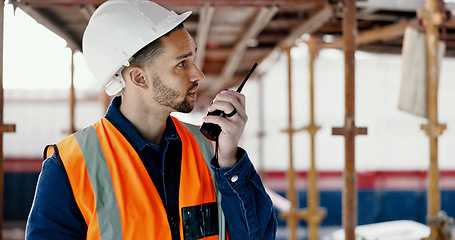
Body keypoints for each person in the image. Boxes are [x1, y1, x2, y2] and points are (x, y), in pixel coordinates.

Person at [25, 0, 277, 239]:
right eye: (182, 63)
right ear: (139, 78)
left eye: (193, 58)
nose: (198, 74)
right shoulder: (69, 166)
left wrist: (229, 161)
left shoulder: (212, 150)